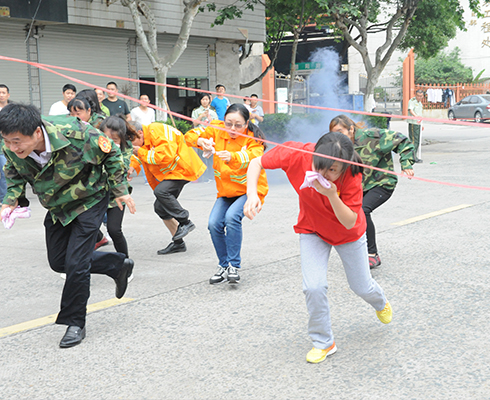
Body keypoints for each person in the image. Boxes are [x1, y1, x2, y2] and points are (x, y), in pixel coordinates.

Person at [244, 131, 392, 364]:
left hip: (348, 233)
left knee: (361, 286)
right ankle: (323, 342)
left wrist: (332, 195)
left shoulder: (352, 173)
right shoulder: (296, 153)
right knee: (313, 287)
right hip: (312, 229)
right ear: (313, 154)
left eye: (333, 170)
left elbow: (349, 221)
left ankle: (380, 302)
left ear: (343, 167)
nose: (323, 174)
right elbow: (256, 162)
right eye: (320, 166)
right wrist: (251, 194)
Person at [0, 104, 136, 348]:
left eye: (17, 141)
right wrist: (10, 201)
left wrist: (120, 190)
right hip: (57, 205)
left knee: (76, 265)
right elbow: (13, 172)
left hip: (90, 199)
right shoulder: (12, 146)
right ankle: (117, 264)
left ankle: (75, 323)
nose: (11, 147)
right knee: (58, 261)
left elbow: (112, 153)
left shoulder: (76, 133)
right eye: (7, 141)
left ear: (37, 133)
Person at [186, 104, 268, 284]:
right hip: (226, 192)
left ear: (247, 123)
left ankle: (234, 265)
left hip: (249, 191)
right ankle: (223, 264)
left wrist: (233, 157)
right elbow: (189, 136)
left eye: (238, 125)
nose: (232, 129)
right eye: (228, 123)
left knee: (231, 218)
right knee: (213, 223)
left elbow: (255, 156)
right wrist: (201, 142)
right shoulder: (216, 128)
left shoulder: (253, 139)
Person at [330, 115, 415, 268]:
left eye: (340, 131)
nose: (337, 135)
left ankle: (372, 254)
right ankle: (357, 251)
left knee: (363, 210)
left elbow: (402, 140)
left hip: (382, 183)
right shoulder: (340, 147)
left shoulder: (373, 137)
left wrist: (406, 163)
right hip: (360, 187)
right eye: (333, 133)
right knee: (349, 215)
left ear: (351, 129)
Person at [128, 121, 205, 254]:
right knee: (160, 207)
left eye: (132, 141)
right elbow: (138, 155)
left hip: (182, 168)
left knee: (161, 191)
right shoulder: (143, 138)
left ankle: (185, 221)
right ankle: (178, 243)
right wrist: (131, 167)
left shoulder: (156, 131)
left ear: (139, 133)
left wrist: (139, 151)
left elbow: (164, 155)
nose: (132, 146)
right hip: (171, 173)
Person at [96, 115, 136, 261]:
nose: (110, 143)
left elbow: (120, 168)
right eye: (107, 139)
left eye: (115, 141)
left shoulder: (126, 149)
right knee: (87, 229)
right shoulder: (93, 146)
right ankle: (78, 265)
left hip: (117, 195)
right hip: (95, 194)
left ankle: (126, 263)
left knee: (114, 230)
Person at [408, 89, 424, 163]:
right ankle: (412, 157)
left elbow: (420, 114)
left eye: (421, 96)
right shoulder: (412, 101)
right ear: (415, 95)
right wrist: (416, 116)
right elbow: (411, 110)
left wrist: (422, 124)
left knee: (417, 141)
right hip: (413, 123)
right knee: (413, 140)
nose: (419, 97)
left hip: (418, 124)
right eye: (418, 96)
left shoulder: (420, 103)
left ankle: (414, 156)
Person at [0, 84, 10, 202]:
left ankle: (5, 198)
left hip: (10, 146)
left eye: (3, 92)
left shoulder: (12, 109)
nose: (1, 95)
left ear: (8, 95)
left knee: (6, 172)